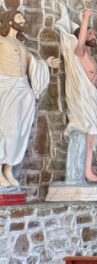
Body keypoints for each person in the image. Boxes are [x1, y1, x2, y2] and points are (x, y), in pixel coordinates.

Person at [55, 6, 97, 184]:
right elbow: (80, 41)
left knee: (94, 133)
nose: (93, 37)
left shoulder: (90, 58)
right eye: (90, 34)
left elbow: (94, 83)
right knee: (89, 131)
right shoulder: (79, 53)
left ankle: (88, 168)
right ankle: (87, 171)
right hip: (82, 100)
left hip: (91, 99)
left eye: (93, 34)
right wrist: (85, 20)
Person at [0, 10, 59, 188]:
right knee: (6, 128)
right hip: (6, 85)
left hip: (22, 88)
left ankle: (8, 169)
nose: (23, 20)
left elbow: (32, 66)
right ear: (9, 21)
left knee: (19, 131)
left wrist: (45, 64)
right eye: (19, 17)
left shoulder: (23, 46)